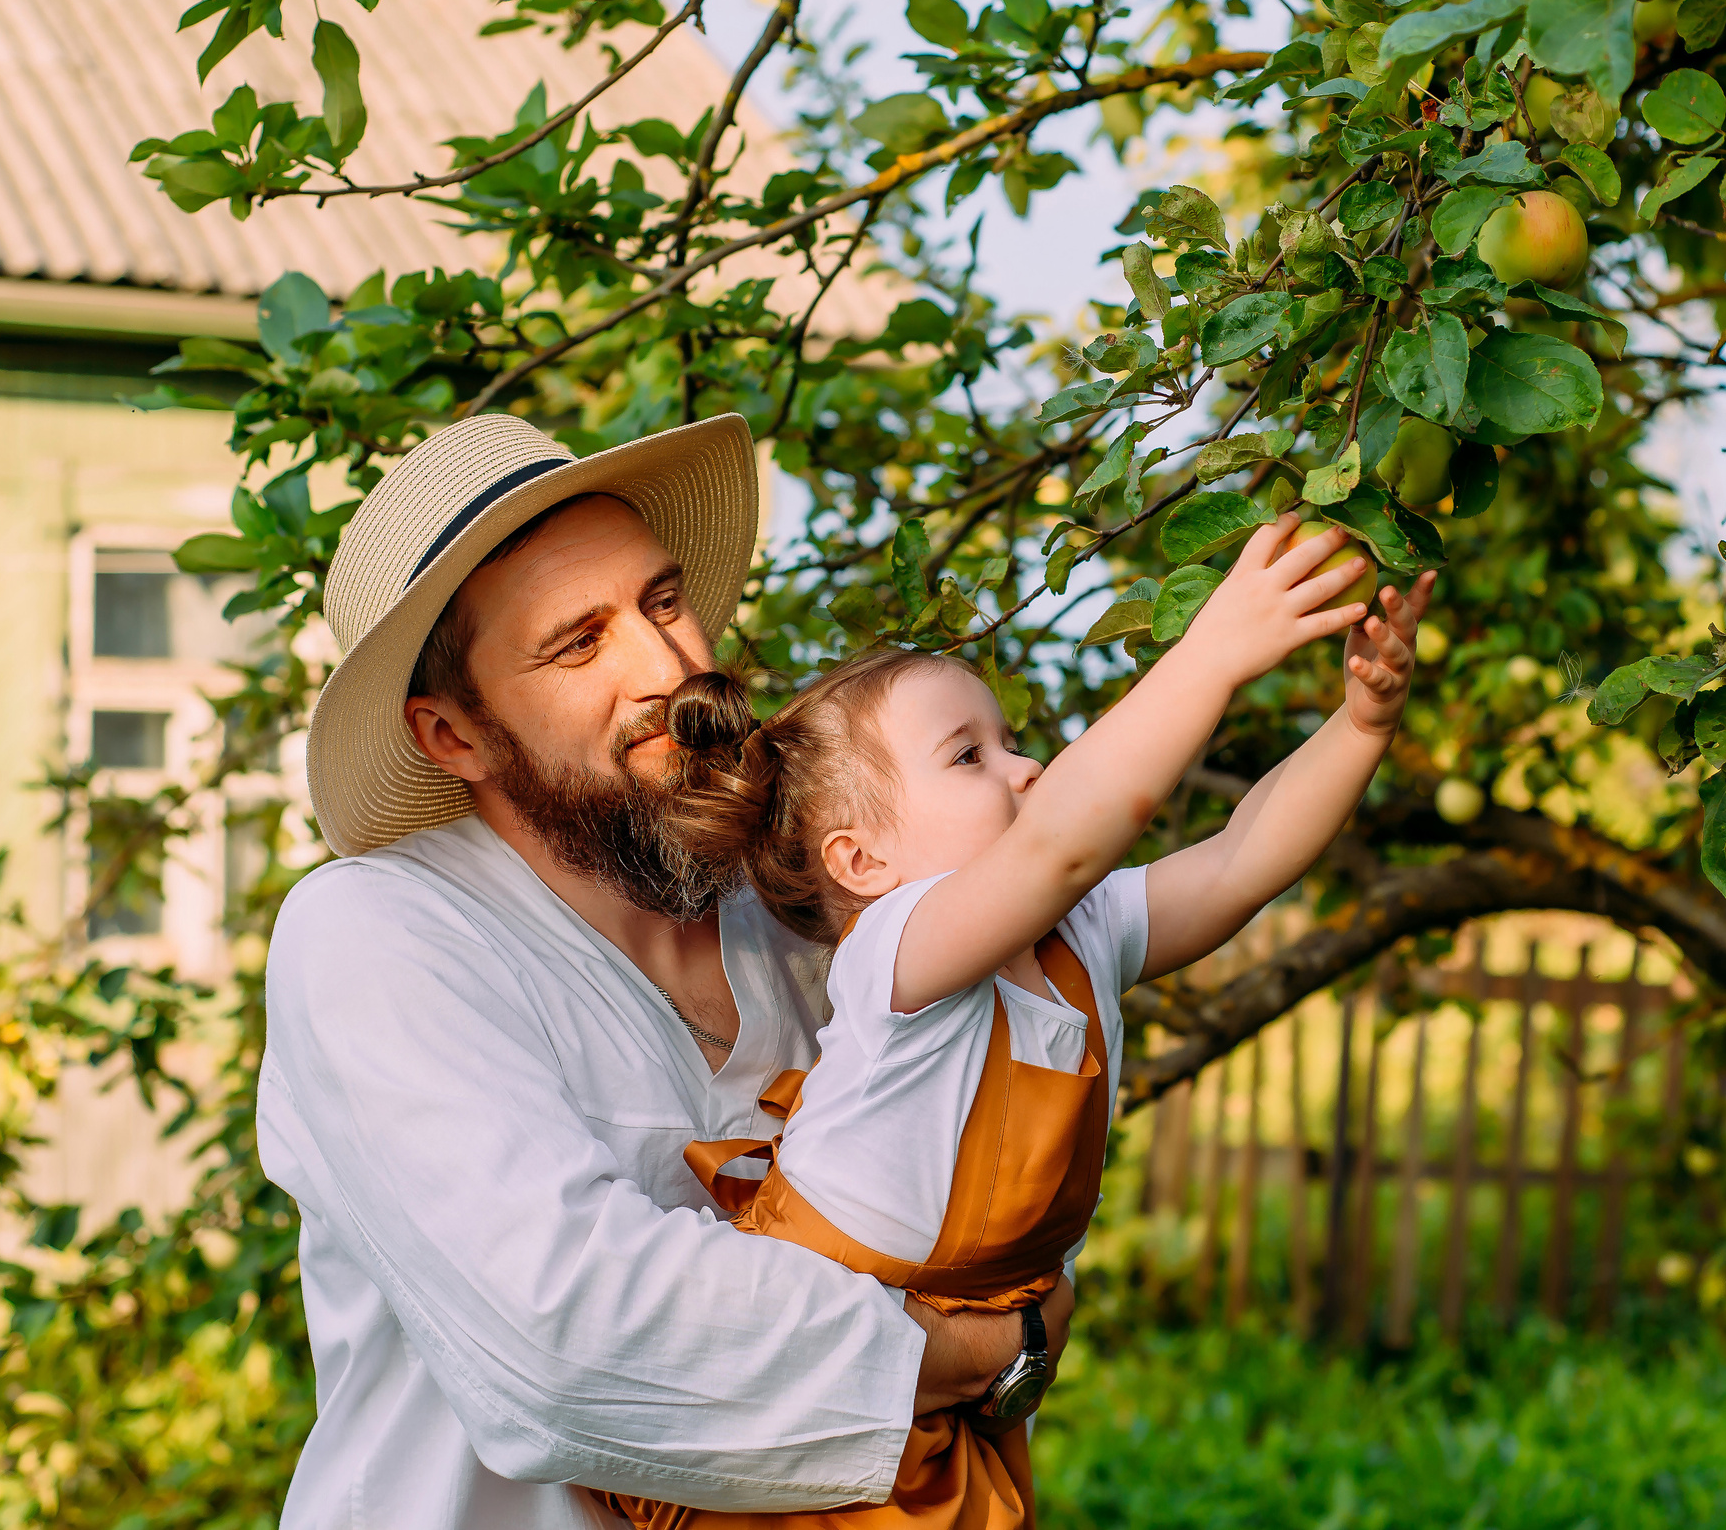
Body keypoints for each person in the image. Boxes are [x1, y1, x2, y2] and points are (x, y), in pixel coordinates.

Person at [259, 412, 1068, 1530]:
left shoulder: (805, 909)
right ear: (454, 735)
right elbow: (564, 1337)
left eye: (663, 601)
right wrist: (988, 1346)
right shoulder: (378, 935)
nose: (672, 667)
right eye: (578, 644)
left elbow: (991, 1146)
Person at [597, 515, 1435, 1528]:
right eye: (969, 756)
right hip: (814, 1369)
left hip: (943, 1382)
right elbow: (1060, 841)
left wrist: (1359, 726)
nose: (1028, 768)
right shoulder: (900, 950)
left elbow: (1238, 861)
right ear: (861, 862)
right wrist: (1209, 654)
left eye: (1012, 742)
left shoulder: (1083, 930)